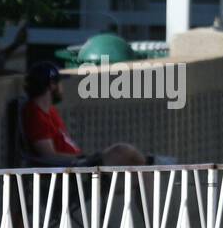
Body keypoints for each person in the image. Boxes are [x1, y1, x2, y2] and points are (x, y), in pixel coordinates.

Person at [20, 61, 153, 167]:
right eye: (60, 83)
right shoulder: (35, 115)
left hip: (80, 165)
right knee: (122, 150)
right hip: (75, 171)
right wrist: (83, 159)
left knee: (142, 172)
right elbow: (48, 156)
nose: (62, 88)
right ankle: (154, 162)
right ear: (52, 85)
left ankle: (151, 164)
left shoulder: (50, 110)